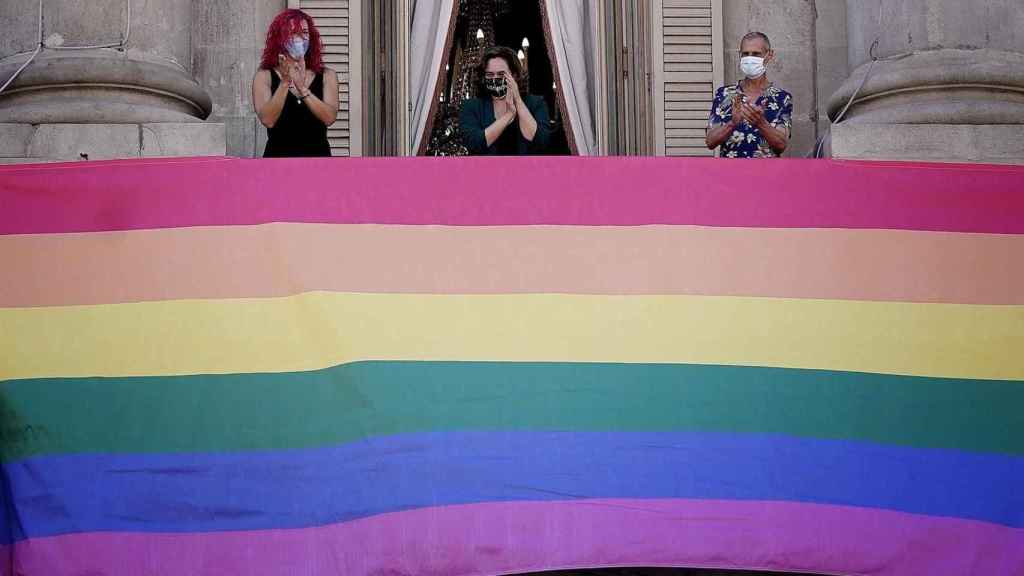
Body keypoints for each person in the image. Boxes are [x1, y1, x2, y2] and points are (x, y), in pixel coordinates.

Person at [253, 9, 338, 158]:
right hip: (277, 165)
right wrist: (285, 82)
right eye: (293, 33)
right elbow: (267, 120)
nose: (300, 38)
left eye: (304, 32)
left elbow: (329, 117)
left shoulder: (327, 76)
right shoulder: (264, 76)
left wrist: (303, 89)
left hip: (318, 164)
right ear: (280, 39)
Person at [706, 32, 793, 158]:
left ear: (769, 55)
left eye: (756, 54)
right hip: (729, 174)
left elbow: (781, 145)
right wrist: (732, 123)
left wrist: (760, 123)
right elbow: (710, 141)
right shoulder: (724, 94)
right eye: (745, 54)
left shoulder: (782, 98)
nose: (749, 58)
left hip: (767, 174)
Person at [460, 46, 551, 155]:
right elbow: (474, 143)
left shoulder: (536, 103)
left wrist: (517, 100)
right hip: (485, 170)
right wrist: (509, 114)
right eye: (490, 75)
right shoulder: (471, 106)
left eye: (501, 74)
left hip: (527, 170)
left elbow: (541, 141)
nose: (495, 79)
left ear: (514, 75)